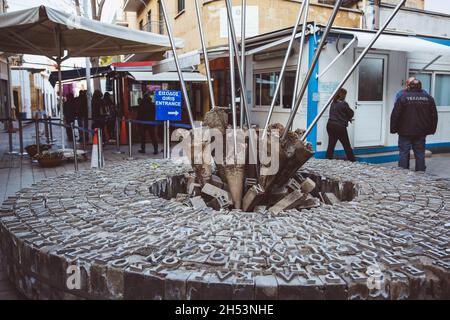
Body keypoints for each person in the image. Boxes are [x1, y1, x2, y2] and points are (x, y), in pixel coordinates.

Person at [391, 79, 438, 172]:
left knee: (404, 153)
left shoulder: (402, 98)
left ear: (409, 86)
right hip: (421, 132)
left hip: (404, 131)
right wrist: (432, 129)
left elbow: (395, 115)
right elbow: (434, 116)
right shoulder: (429, 98)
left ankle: (402, 174)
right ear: (420, 86)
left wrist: (393, 128)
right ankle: (420, 174)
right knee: (420, 154)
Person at [326, 88, 356, 162]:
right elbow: (351, 113)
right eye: (345, 94)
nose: (345, 96)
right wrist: (348, 118)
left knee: (331, 144)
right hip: (339, 127)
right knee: (346, 145)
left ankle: (327, 160)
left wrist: (347, 118)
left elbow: (340, 113)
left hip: (330, 125)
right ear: (342, 95)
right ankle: (352, 160)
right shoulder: (343, 103)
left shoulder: (333, 103)